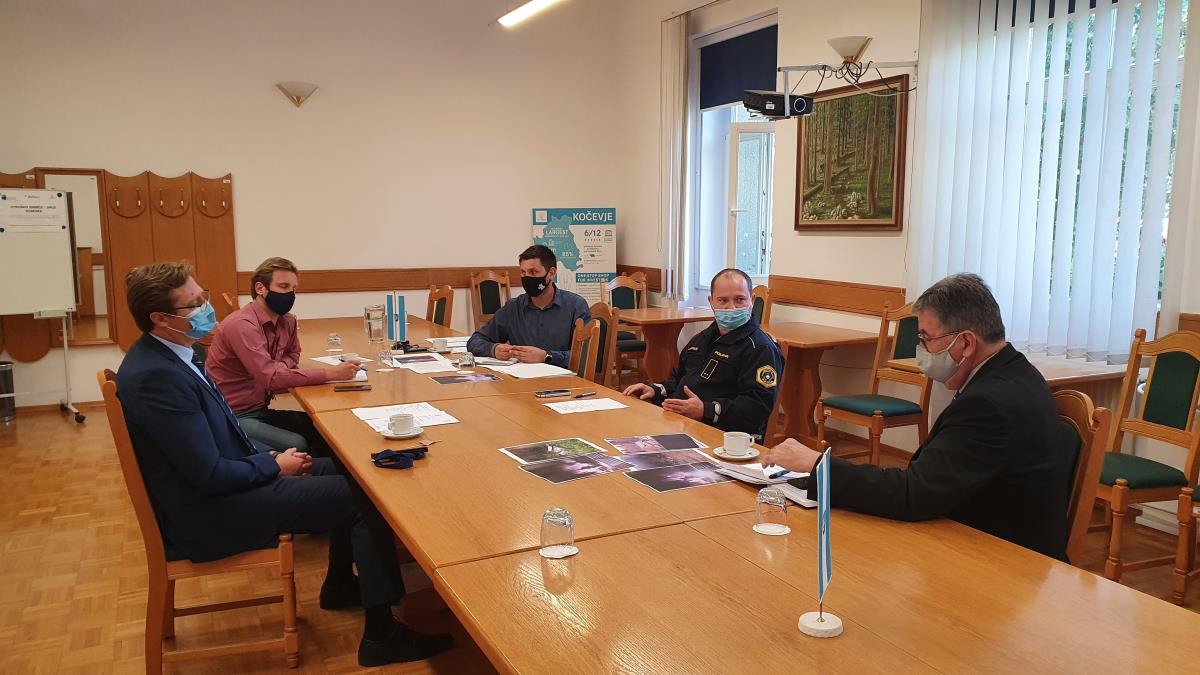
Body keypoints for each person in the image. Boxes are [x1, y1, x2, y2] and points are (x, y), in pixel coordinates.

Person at [116, 262, 451, 666]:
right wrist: (274, 467)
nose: (206, 308)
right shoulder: (157, 377)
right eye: (195, 304)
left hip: (226, 485)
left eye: (204, 297)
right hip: (209, 511)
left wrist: (271, 457)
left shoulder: (173, 356)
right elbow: (208, 474)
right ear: (160, 318)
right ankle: (382, 635)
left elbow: (220, 439)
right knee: (369, 499)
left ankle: (340, 585)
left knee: (355, 472)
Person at [764, 273, 1075, 561]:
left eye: (926, 338)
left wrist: (818, 465)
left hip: (1002, 559)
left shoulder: (988, 404)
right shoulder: (1016, 371)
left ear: (966, 342)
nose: (921, 349)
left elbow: (914, 494)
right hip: (981, 529)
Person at [205, 257, 358, 456]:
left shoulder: (287, 321)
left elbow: (293, 353)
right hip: (232, 415)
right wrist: (331, 374)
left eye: (294, 289)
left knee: (326, 429)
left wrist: (281, 366)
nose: (290, 294)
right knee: (298, 444)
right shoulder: (242, 325)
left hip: (260, 409)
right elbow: (271, 379)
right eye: (283, 286)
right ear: (260, 288)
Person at [622, 268, 784, 439]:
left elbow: (757, 407)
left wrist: (705, 410)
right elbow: (679, 380)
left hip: (726, 438)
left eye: (740, 300)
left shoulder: (761, 348)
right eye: (723, 300)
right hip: (681, 424)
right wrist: (654, 390)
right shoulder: (702, 339)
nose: (731, 307)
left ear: (752, 300)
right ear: (711, 302)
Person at [466, 245, 591, 367]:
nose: (527, 278)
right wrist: (494, 349)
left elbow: (588, 354)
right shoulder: (513, 308)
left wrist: (547, 356)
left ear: (551, 273)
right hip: (522, 378)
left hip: (565, 378)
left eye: (533, 272)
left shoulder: (575, 306)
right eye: (523, 272)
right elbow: (475, 341)